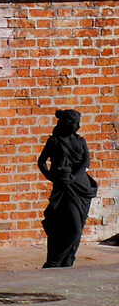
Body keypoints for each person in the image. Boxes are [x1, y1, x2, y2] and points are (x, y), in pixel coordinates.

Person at [39, 109, 98, 268]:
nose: (77, 126)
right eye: (74, 123)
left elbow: (85, 162)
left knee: (78, 227)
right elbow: (42, 161)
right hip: (64, 189)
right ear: (66, 123)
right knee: (72, 229)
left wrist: (74, 177)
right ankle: (54, 261)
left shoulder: (81, 141)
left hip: (82, 189)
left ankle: (66, 262)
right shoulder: (54, 141)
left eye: (78, 123)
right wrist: (51, 176)